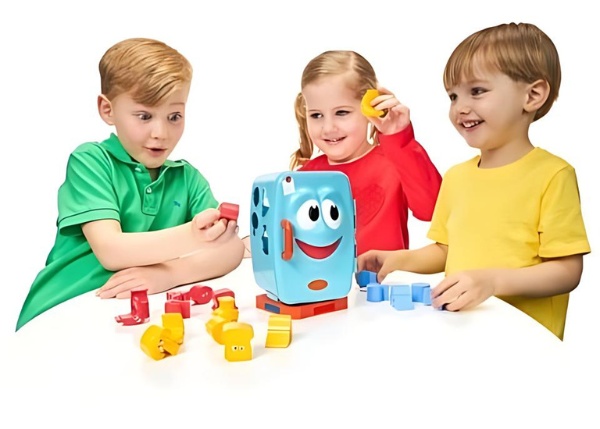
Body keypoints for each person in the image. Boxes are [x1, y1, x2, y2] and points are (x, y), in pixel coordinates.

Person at [358, 23, 591, 340]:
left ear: (533, 95)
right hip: (463, 331)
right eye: (453, 96)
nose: (461, 108)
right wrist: (400, 259)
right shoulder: (457, 177)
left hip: (525, 342)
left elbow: (567, 271)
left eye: (477, 91)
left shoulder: (553, 175)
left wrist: (493, 282)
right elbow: (446, 250)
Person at [16, 38, 245, 331]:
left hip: (130, 317)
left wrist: (169, 275)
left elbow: (231, 249)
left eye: (174, 116)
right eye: (144, 116)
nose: (161, 132)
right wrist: (195, 236)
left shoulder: (187, 178)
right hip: (62, 310)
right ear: (107, 109)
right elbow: (111, 251)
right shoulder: (91, 161)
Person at [290, 50, 442, 256]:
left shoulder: (395, 161)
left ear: (369, 107)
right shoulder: (303, 178)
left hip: (384, 277)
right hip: (321, 278)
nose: (328, 128)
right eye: (316, 115)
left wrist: (400, 139)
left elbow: (432, 210)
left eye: (342, 112)